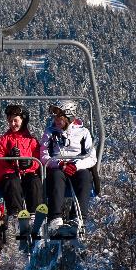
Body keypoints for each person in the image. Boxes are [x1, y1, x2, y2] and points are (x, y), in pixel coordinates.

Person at [39, 100, 96, 235]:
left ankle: (78, 218)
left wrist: (76, 166)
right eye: (55, 118)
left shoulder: (83, 132)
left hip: (77, 166)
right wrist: (59, 164)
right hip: (58, 167)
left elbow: (91, 157)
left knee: (85, 177)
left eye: (60, 118)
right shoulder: (50, 132)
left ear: (69, 117)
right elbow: (43, 155)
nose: (56, 121)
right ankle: (55, 218)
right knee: (56, 176)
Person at [0, 104, 43, 217]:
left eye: (15, 121)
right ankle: (15, 214)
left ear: (23, 120)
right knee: (12, 182)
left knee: (34, 182)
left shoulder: (31, 141)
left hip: (27, 172)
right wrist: (8, 159)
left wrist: (30, 163)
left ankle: (35, 214)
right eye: (10, 121)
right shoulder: (3, 140)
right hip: (9, 173)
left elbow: (38, 159)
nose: (12, 124)